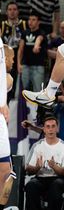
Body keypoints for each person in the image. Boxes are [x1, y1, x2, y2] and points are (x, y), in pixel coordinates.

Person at [25, 116, 64, 210]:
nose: (50, 129)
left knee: (56, 185)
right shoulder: (37, 146)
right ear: (44, 129)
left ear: (57, 128)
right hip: (40, 179)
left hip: (57, 179)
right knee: (31, 185)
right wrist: (37, 168)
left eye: (53, 126)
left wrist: (55, 167)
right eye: (48, 126)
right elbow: (28, 170)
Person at [0, 39, 15, 210]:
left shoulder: (8, 78)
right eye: (10, 58)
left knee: (7, 173)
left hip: (1, 127)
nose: (13, 62)